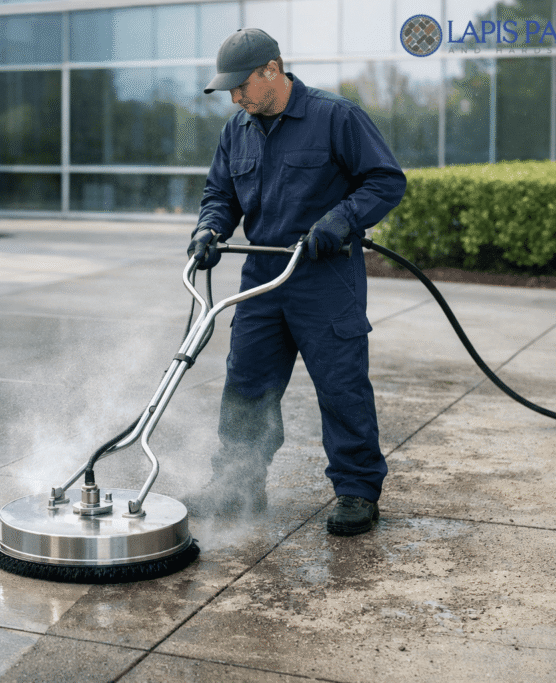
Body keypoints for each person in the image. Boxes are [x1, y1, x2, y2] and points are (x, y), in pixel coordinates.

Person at [183, 28, 406, 536]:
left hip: (324, 277)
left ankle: (356, 490)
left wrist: (341, 220)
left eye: (242, 86)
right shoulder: (237, 130)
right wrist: (209, 229)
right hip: (263, 278)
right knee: (246, 385)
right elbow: (220, 192)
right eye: (230, 90)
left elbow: (386, 180)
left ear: (273, 70)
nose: (236, 98)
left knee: (340, 385)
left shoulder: (335, 117)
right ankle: (239, 483)